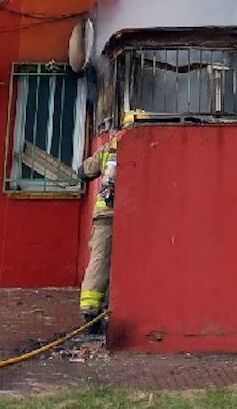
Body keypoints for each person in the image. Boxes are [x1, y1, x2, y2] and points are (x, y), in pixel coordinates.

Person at [77, 111, 138, 322]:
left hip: (106, 213)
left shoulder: (110, 146)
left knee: (100, 260)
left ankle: (90, 312)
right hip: (134, 215)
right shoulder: (144, 146)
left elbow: (85, 171)